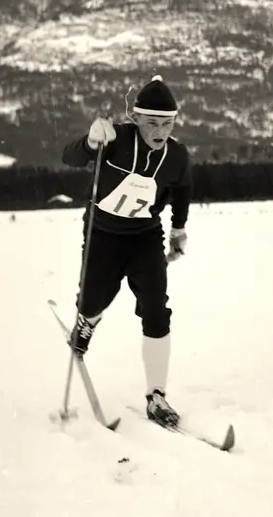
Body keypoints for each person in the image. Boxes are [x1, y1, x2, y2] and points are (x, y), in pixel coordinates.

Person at [61, 75, 194, 427]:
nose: (160, 130)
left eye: (168, 123)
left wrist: (178, 229)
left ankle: (157, 396)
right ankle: (87, 321)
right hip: (102, 235)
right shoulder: (116, 139)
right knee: (93, 299)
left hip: (144, 237)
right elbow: (69, 157)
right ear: (136, 119)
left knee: (156, 309)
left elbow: (182, 189)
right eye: (152, 122)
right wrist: (90, 142)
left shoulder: (176, 155)